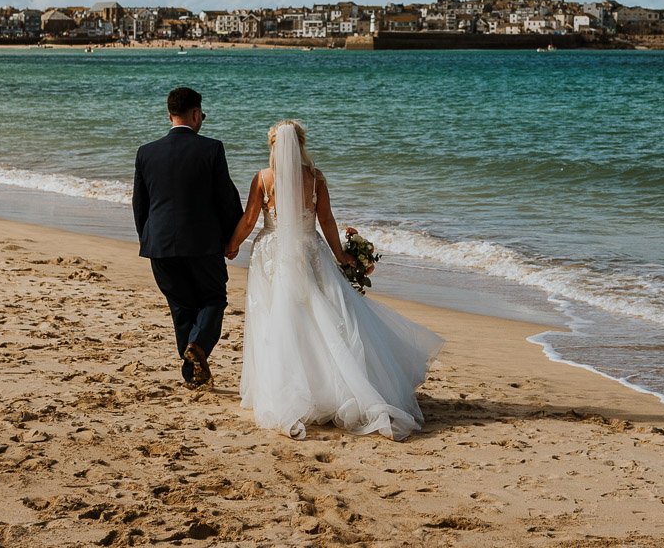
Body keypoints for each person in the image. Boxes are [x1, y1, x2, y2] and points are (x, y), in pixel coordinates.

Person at [226, 120, 442, 439]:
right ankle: (334, 389)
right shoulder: (315, 178)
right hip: (310, 250)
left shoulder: (264, 178)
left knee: (279, 320)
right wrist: (341, 255)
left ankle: (290, 391)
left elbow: (250, 219)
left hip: (273, 254)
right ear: (301, 145)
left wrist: (231, 245)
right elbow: (325, 219)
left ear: (273, 146)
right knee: (322, 317)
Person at [132, 87, 243, 388]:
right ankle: (199, 347)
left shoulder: (146, 152)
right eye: (202, 116)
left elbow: (140, 205)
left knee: (181, 309)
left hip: (159, 244)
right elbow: (226, 199)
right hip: (202, 243)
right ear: (195, 114)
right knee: (213, 299)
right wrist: (232, 238)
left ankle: (192, 375)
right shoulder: (211, 149)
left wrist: (148, 238)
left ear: (170, 115)